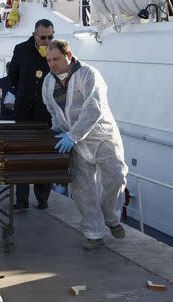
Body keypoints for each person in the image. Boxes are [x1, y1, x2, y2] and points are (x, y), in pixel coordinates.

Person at [43, 40, 127, 250]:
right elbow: (52, 110)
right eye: (49, 60)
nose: (52, 64)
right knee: (82, 188)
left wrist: (74, 135)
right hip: (74, 142)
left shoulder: (88, 74)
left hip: (102, 137)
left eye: (56, 59)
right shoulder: (48, 82)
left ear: (68, 55)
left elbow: (94, 108)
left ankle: (110, 217)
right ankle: (94, 233)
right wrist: (57, 129)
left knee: (115, 178)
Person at [8, 19, 54, 210]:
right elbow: (13, 76)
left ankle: (43, 198)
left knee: (45, 157)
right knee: (22, 155)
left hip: (45, 113)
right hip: (24, 112)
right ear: (35, 35)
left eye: (51, 36)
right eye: (43, 37)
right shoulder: (21, 49)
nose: (47, 40)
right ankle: (22, 200)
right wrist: (25, 92)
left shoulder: (55, 50)